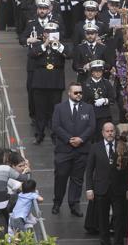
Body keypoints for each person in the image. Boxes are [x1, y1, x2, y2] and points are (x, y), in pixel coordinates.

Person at [51, 82, 96, 216]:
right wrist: (69, 139)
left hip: (82, 150)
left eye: (80, 92)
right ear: (69, 93)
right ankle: (57, 202)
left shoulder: (88, 108)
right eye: (76, 92)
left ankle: (74, 204)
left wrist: (81, 139)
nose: (79, 95)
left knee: (77, 179)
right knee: (61, 177)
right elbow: (56, 126)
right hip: (64, 149)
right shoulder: (59, 108)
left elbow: (91, 126)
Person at [86, 122, 128, 245]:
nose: (110, 133)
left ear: (115, 132)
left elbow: (126, 170)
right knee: (102, 219)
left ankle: (118, 242)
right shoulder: (95, 147)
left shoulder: (122, 147)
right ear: (103, 133)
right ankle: (104, 242)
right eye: (107, 131)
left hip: (118, 189)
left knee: (118, 217)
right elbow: (89, 170)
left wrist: (127, 189)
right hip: (101, 188)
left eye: (112, 131)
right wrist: (89, 188)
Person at [29, 21, 70, 144]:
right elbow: (31, 54)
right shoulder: (38, 45)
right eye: (47, 32)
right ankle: (39, 134)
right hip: (40, 82)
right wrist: (45, 44)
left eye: (52, 32)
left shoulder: (61, 46)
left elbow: (69, 54)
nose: (50, 34)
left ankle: (55, 135)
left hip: (55, 82)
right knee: (40, 111)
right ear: (44, 33)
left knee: (55, 111)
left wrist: (57, 46)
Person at [82, 60, 116, 142]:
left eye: (100, 71)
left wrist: (105, 100)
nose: (98, 73)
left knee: (102, 137)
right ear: (92, 72)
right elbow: (83, 100)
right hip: (91, 113)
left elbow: (113, 98)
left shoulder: (106, 83)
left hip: (104, 114)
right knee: (92, 136)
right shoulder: (86, 84)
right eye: (95, 71)